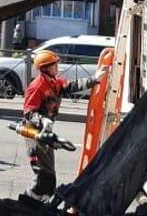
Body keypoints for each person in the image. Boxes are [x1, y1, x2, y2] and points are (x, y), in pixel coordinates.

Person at [21, 49, 106, 202]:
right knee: (43, 177)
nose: (57, 67)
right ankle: (26, 203)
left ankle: (39, 205)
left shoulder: (54, 82)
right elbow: (28, 111)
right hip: (34, 134)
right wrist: (42, 120)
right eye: (54, 65)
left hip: (45, 133)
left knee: (49, 178)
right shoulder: (37, 86)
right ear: (45, 68)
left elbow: (70, 86)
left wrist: (94, 79)